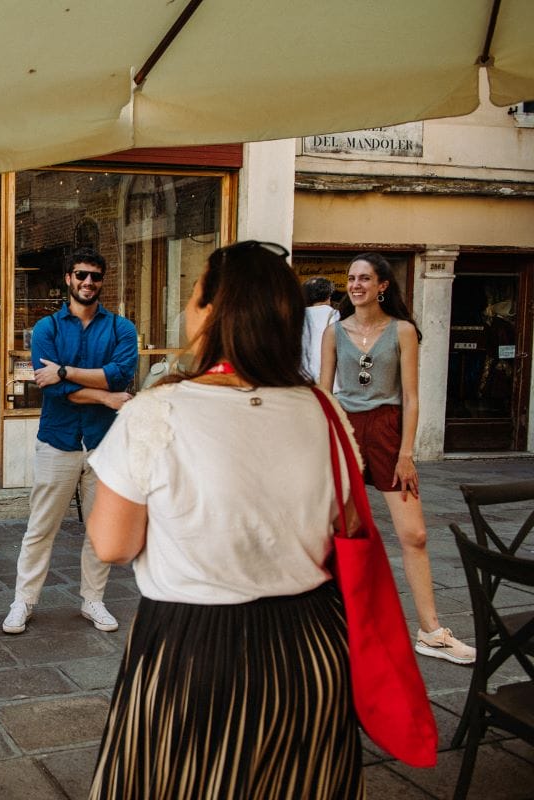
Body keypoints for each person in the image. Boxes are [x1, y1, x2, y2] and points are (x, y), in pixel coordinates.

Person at [87, 240, 363, 798]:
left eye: (193, 296)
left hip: (195, 647)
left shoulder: (156, 411)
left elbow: (112, 544)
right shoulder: (325, 411)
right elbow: (350, 524)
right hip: (312, 646)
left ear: (213, 311)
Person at [320, 252, 475, 665]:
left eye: (365, 278)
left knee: (416, 535)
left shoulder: (402, 330)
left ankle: (431, 631)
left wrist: (407, 453)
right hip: (345, 429)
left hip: (389, 432)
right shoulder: (334, 332)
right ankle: (336, 626)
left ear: (382, 285)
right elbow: (323, 392)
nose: (355, 285)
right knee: (343, 533)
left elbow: (410, 396)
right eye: (351, 278)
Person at [2, 247, 138, 636]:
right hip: (58, 441)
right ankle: (23, 601)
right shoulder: (47, 328)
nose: (88, 282)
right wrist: (104, 396)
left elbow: (119, 375)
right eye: (81, 275)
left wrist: (65, 371)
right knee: (41, 527)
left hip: (103, 444)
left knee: (99, 529)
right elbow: (54, 391)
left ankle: (92, 600)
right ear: (68, 278)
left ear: (102, 281)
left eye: (95, 276)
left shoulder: (120, 328)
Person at [301, 276, 338, 381]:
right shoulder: (337, 316)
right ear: (329, 296)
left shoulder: (296, 317)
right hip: (331, 382)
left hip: (303, 382)